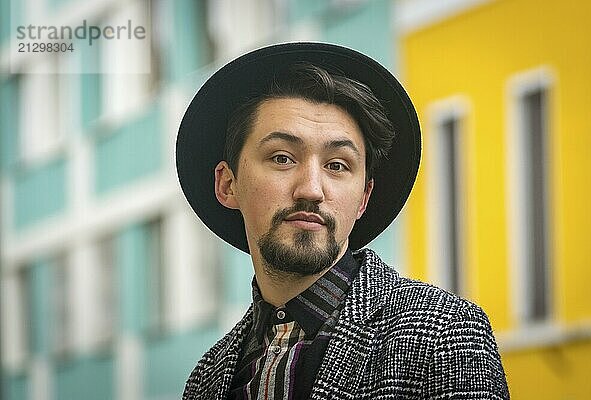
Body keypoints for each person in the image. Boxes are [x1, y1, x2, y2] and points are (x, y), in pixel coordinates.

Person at [176, 42, 509, 400]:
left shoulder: (444, 332)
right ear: (228, 185)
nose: (312, 189)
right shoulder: (207, 378)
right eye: (282, 158)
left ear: (363, 198)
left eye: (337, 165)